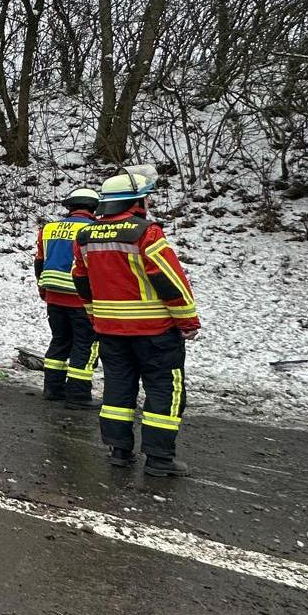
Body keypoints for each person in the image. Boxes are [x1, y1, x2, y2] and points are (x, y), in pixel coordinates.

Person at [72, 166, 200, 476]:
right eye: (146, 198)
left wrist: (94, 314)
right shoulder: (146, 232)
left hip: (109, 330)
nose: (148, 203)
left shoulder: (86, 236)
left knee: (118, 388)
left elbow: (81, 279)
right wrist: (187, 319)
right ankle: (159, 458)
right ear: (136, 202)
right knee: (164, 389)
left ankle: (119, 451)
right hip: (154, 331)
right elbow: (168, 278)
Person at [34, 186, 101, 408]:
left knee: (60, 341)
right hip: (81, 299)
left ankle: (52, 389)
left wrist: (42, 288)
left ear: (69, 206)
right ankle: (78, 396)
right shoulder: (95, 229)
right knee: (85, 345)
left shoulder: (49, 228)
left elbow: (39, 261)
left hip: (53, 296)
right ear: (94, 207)